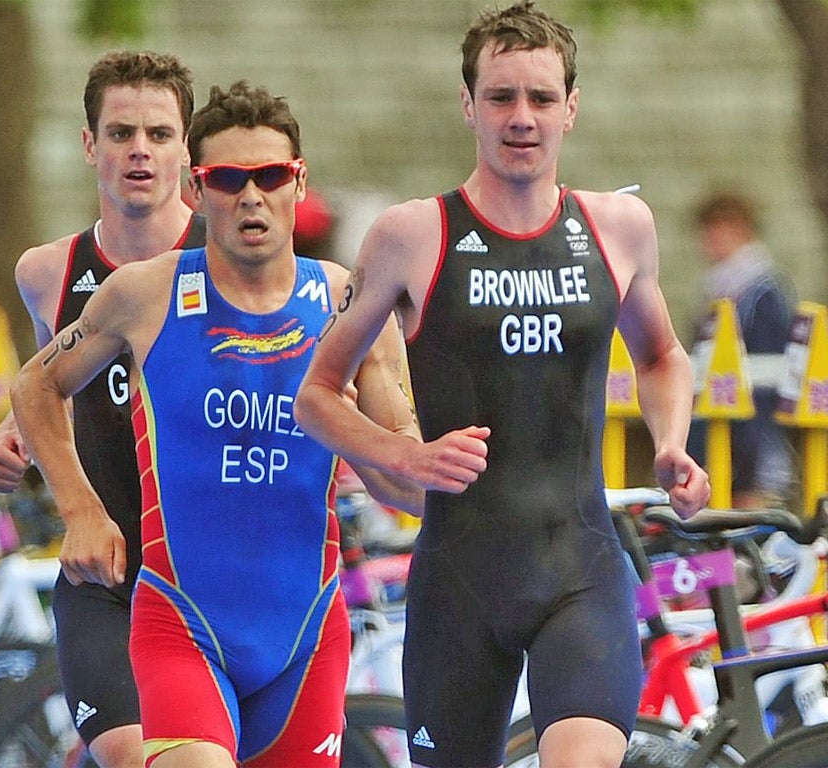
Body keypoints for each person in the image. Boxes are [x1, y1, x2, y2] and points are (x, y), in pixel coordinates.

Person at [293, 3, 712, 767]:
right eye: (501, 97)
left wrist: (673, 444)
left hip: (580, 569)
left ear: (571, 109)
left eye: (541, 98)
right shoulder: (411, 235)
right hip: (460, 580)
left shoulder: (619, 226)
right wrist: (403, 454)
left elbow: (661, 358)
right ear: (469, 105)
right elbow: (316, 395)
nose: (522, 118)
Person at [9, 80, 420, 768]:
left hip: (306, 638)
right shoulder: (146, 293)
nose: (250, 196)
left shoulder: (348, 300)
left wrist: (424, 471)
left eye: (269, 176)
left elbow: (402, 470)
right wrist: (80, 508)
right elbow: (37, 383)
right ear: (197, 192)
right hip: (182, 628)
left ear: (300, 183)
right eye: (228, 179)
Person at [0, 50, 205, 768]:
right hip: (105, 575)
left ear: (187, 151)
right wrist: (11, 438)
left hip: (217, 579)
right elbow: (52, 392)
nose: (140, 149)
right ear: (89, 144)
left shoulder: (232, 259)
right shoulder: (48, 272)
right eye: (120, 132)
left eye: (159, 134)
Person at [688, 190, 795, 508]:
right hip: (720, 438)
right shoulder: (719, 287)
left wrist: (752, 455)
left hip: (753, 446)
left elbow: (766, 373)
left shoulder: (763, 293)